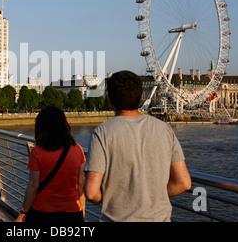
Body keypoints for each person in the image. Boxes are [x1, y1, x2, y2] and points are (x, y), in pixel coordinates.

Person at [84, 70, 191, 222]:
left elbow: (91, 192)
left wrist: (113, 197)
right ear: (141, 97)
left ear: (109, 100)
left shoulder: (102, 132)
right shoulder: (164, 129)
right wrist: (153, 195)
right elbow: (184, 182)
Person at [15, 106, 86, 222]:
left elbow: (33, 186)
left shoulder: (37, 152)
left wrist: (23, 213)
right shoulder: (78, 150)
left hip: (43, 212)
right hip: (72, 212)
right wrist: (82, 210)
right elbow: (81, 183)